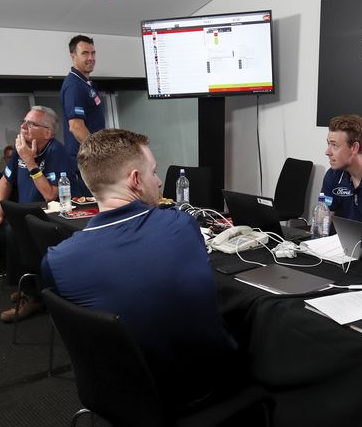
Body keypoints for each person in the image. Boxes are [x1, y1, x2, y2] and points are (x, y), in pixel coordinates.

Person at [42, 128, 239, 410]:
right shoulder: (180, 225)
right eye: (154, 172)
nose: (158, 182)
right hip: (195, 391)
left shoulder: (55, 260)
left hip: (113, 394)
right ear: (135, 179)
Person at [0, 106, 68, 322]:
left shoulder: (58, 152)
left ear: (47, 132)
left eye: (31, 124)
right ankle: (27, 282)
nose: (23, 127)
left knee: (13, 235)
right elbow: (5, 181)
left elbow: (51, 195)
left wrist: (30, 161)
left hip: (49, 220)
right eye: (24, 121)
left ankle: (33, 296)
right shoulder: (21, 147)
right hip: (24, 219)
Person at [59, 35, 106, 198]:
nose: (91, 58)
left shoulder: (85, 84)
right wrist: (99, 154)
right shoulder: (74, 85)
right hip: (86, 162)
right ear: (73, 56)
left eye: (93, 53)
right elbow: (76, 127)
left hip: (92, 161)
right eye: (85, 53)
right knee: (92, 209)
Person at [320, 114, 362, 222]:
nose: (327, 152)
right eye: (328, 144)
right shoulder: (332, 175)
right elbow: (323, 221)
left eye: (334, 145)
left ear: (354, 148)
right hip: (344, 238)